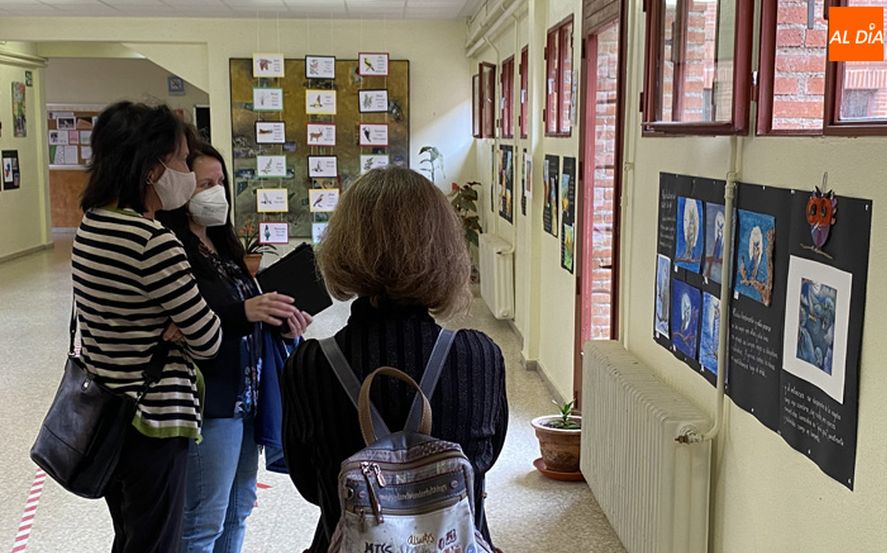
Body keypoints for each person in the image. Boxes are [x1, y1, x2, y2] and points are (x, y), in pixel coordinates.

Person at [281, 166, 509, 552]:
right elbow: (483, 462)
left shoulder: (310, 364)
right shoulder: (479, 356)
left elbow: (310, 486)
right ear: (444, 250)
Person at [72, 101, 222, 552]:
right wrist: (180, 324)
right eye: (179, 159)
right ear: (153, 168)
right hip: (154, 421)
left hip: (109, 412)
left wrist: (177, 322)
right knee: (157, 540)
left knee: (131, 536)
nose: (187, 172)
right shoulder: (152, 240)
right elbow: (209, 338)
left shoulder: (93, 224)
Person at [158, 134, 312, 553]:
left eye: (220, 182)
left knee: (238, 508)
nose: (216, 192)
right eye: (205, 184)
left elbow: (244, 312)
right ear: (181, 189)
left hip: (246, 399)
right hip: (210, 403)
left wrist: (282, 323)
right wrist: (243, 312)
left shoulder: (222, 245)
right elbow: (191, 322)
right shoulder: (171, 248)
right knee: (203, 520)